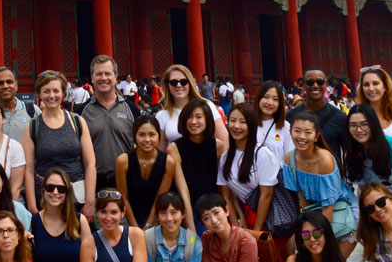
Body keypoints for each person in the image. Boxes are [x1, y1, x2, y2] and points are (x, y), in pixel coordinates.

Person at [22, 70, 96, 219]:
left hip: (76, 198)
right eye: (46, 91)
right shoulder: (32, 126)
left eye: (56, 91)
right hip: (46, 198)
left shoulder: (77, 122)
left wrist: (90, 202)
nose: (51, 96)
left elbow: (90, 163)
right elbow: (28, 170)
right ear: (39, 94)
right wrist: (32, 206)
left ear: (63, 92)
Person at [283, 110, 358, 258]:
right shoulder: (289, 159)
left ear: (316, 136)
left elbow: (328, 206)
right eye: (297, 131)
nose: (302, 137)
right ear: (290, 132)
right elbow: (301, 198)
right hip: (317, 214)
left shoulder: (325, 160)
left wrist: (319, 238)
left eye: (308, 132)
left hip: (343, 211)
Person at [116, 114, 187, 229]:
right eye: (141, 135)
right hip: (129, 217)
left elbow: (160, 198)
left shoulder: (168, 162)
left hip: (157, 217)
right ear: (134, 136)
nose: (147, 140)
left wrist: (149, 225)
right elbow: (123, 197)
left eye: (152, 135)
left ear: (159, 136)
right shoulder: (123, 161)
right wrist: (135, 228)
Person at [218, 105, 280, 232]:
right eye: (233, 120)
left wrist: (257, 231)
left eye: (242, 122)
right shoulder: (225, 158)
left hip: (268, 219)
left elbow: (266, 195)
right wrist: (236, 224)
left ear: (251, 126)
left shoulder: (262, 154)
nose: (236, 126)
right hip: (246, 218)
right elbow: (226, 196)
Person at [167, 100, 224, 233]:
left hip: (211, 206)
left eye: (199, 117)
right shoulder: (175, 148)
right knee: (195, 240)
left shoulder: (217, 146)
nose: (193, 122)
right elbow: (183, 190)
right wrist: (190, 225)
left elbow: (222, 184)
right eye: (189, 117)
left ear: (207, 119)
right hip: (188, 207)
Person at [83, 55, 136, 192]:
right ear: (92, 77)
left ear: (115, 76)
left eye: (108, 73)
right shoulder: (81, 111)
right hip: (92, 183)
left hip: (126, 181)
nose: (103, 78)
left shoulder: (131, 109)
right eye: (99, 74)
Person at [156, 64, 228, 151]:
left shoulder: (207, 106)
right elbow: (161, 152)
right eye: (173, 82)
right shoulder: (162, 115)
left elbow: (224, 143)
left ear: (190, 83)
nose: (178, 85)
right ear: (168, 85)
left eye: (183, 82)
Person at [286, 68, 349, 163]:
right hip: (300, 174)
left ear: (326, 84)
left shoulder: (340, 118)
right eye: (310, 83)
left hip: (331, 175)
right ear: (303, 85)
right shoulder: (291, 116)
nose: (315, 86)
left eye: (320, 82)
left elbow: (347, 153)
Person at [254, 80, 291, 159]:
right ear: (259, 98)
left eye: (275, 99)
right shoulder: (248, 123)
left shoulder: (285, 127)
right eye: (266, 97)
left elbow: (290, 158)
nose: (270, 102)